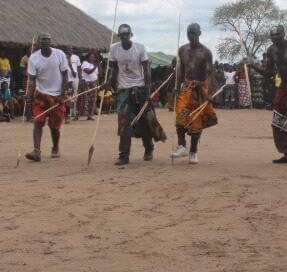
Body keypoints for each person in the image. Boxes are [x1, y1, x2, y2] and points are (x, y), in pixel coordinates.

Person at [249, 25, 287, 164]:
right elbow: (269, 72)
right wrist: (253, 66)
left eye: (277, 35)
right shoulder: (271, 50)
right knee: (277, 119)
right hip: (283, 85)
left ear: (283, 34)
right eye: (272, 36)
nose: (275, 38)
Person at [107, 24, 166, 166]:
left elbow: (146, 69)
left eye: (127, 35)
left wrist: (147, 89)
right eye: (122, 35)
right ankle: (124, 155)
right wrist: (109, 83)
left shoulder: (139, 48)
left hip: (140, 88)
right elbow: (114, 70)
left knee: (145, 120)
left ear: (131, 35)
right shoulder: (114, 48)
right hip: (124, 90)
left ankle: (149, 148)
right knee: (123, 122)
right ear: (119, 36)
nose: (125, 38)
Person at [171, 23, 218, 164]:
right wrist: (176, 86)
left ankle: (193, 152)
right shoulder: (182, 50)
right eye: (189, 33)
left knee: (196, 120)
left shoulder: (206, 52)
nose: (191, 36)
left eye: (193, 33)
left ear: (199, 33)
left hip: (201, 89)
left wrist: (209, 92)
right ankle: (181, 146)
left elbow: (210, 74)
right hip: (186, 87)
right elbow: (180, 70)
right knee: (180, 115)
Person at [25, 33, 70, 162]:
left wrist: (62, 94)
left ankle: (55, 147)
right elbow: (32, 79)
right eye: (43, 40)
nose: (45, 41)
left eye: (48, 39)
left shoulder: (59, 54)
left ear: (51, 42)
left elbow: (65, 75)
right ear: (39, 43)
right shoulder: (34, 58)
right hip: (41, 95)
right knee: (38, 121)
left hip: (57, 96)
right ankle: (36, 151)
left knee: (54, 127)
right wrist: (29, 95)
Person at [64, 47, 82, 120]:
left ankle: (74, 113)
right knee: (69, 96)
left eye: (71, 49)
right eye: (68, 49)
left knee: (75, 96)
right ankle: (69, 113)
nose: (70, 50)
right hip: (67, 79)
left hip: (75, 78)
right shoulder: (63, 57)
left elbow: (79, 68)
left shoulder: (76, 57)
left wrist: (80, 78)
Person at [80, 53, 99, 120]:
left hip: (94, 83)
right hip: (86, 82)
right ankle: (79, 114)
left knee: (93, 99)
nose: (92, 58)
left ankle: (89, 115)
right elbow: (88, 72)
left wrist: (97, 83)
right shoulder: (85, 63)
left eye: (93, 57)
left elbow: (96, 75)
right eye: (91, 57)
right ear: (87, 57)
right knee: (85, 98)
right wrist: (95, 66)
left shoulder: (94, 65)